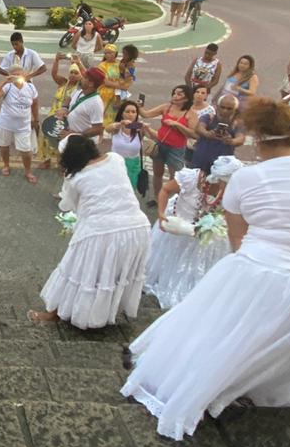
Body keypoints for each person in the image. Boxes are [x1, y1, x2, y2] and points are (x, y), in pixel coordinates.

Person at [121, 98, 290, 440]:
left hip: (268, 274)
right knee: (287, 351)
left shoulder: (247, 179)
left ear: (258, 141)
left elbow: (239, 240)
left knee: (223, 335)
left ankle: (211, 392)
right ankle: (255, 399)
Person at [29, 134, 151, 328]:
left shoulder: (76, 177)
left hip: (101, 232)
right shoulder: (116, 159)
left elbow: (67, 205)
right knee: (112, 274)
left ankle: (56, 313)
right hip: (138, 227)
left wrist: (68, 178)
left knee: (76, 269)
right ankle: (100, 315)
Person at [144, 154, 243, 309]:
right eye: (227, 183)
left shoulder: (229, 191)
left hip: (200, 229)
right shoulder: (191, 178)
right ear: (218, 178)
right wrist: (162, 214)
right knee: (170, 257)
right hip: (178, 222)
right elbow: (165, 189)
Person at [142, 84, 196, 205]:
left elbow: (194, 134)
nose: (175, 96)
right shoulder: (166, 107)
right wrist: (139, 106)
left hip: (176, 149)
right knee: (158, 173)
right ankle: (157, 198)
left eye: (179, 94)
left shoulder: (190, 114)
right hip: (160, 144)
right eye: (174, 93)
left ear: (186, 98)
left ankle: (174, 202)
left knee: (176, 178)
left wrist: (177, 125)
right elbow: (146, 114)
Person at [0, 70, 40, 183]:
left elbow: (35, 103)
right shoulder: (7, 87)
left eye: (19, 74)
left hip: (23, 125)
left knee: (26, 150)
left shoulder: (31, 88)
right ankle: (6, 165)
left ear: (25, 75)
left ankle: (28, 171)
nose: (17, 77)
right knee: (4, 145)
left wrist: (36, 119)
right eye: (15, 74)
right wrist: (5, 81)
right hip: (5, 123)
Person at [192, 93, 244, 171]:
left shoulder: (237, 123)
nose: (225, 110)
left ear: (235, 109)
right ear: (217, 107)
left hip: (223, 161)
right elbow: (199, 128)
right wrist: (207, 133)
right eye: (222, 107)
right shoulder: (209, 117)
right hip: (202, 157)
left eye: (229, 108)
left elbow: (240, 138)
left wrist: (231, 141)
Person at [104, 99, 146, 188]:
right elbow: (107, 129)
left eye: (133, 112)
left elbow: (156, 137)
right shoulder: (117, 127)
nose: (130, 114)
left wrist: (147, 128)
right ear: (122, 113)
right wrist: (120, 124)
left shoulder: (140, 128)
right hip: (116, 164)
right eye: (127, 112)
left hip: (133, 166)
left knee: (129, 191)